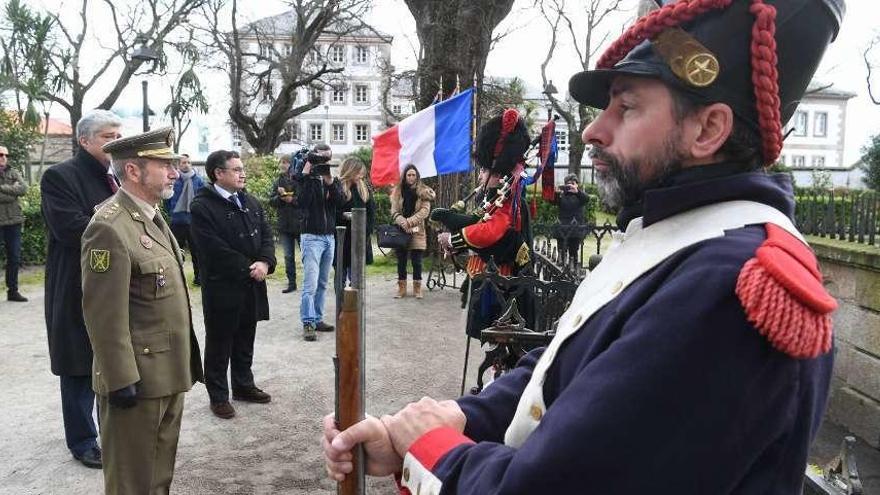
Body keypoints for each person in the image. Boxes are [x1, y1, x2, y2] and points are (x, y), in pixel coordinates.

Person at [323, 0, 843, 492]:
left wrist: (429, 446)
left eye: (627, 107)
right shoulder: (682, 240)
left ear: (707, 129)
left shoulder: (732, 286)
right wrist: (456, 418)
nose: (594, 129)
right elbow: (567, 372)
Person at [80, 127, 203, 494]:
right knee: (132, 483)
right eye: (164, 165)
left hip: (166, 372)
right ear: (133, 171)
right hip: (137, 380)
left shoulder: (151, 216)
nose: (174, 172)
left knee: (157, 476)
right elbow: (103, 315)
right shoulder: (109, 227)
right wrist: (119, 379)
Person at [41, 109, 123, 469]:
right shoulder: (59, 176)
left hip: (116, 282)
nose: (116, 142)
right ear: (84, 140)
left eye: (118, 136)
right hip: (76, 281)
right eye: (108, 136)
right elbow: (70, 227)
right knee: (77, 364)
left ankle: (114, 431)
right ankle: (83, 440)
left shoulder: (119, 176)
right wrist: (120, 226)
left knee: (114, 356)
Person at [190, 149, 276, 419]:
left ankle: (243, 385)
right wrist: (249, 268)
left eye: (242, 169)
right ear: (218, 173)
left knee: (245, 338)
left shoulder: (250, 201)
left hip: (251, 285)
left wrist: (265, 262)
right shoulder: (202, 206)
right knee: (219, 342)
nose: (243, 174)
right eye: (236, 169)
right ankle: (218, 396)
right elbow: (211, 248)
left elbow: (266, 234)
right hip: (223, 287)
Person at [431, 109, 533, 338]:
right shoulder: (496, 198)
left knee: (501, 338)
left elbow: (490, 232)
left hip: (502, 282)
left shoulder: (508, 200)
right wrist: (450, 223)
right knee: (492, 337)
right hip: (487, 276)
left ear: (498, 174)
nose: (480, 176)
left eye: (485, 170)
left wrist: (453, 239)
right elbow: (477, 220)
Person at [294, 143, 343, 342]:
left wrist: (330, 181)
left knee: (323, 282)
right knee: (311, 284)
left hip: (329, 236)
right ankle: (308, 322)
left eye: (327, 159)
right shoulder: (304, 177)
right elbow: (302, 202)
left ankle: (317, 318)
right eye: (320, 159)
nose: (324, 162)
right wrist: (307, 172)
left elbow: (339, 202)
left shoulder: (330, 177)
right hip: (311, 236)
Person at [389, 164, 435, 299]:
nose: (411, 177)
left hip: (416, 230)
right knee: (401, 261)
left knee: (417, 261)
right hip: (401, 230)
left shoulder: (424, 192)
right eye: (408, 175)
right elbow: (394, 211)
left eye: (413, 175)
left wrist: (409, 222)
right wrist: (401, 221)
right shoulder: (398, 192)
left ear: (417, 176)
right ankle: (401, 289)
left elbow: (424, 211)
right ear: (405, 176)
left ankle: (417, 288)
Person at [165, 153, 205, 285]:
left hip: (194, 221)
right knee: (174, 252)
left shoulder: (198, 180)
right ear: (179, 164)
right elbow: (167, 199)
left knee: (197, 252)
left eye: (188, 162)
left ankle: (199, 278)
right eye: (183, 162)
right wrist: (171, 212)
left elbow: (202, 199)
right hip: (177, 221)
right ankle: (176, 279)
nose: (186, 165)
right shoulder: (174, 179)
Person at [336, 156, 375, 285]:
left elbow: (371, 213)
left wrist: (366, 232)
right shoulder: (338, 188)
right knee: (340, 277)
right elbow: (332, 212)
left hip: (359, 238)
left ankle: (355, 298)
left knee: (356, 278)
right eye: (358, 172)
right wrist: (344, 216)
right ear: (350, 171)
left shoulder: (364, 189)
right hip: (342, 238)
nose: (361, 176)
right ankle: (341, 298)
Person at [269, 154, 303, 293]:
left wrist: (291, 200)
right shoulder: (278, 181)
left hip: (300, 224)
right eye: (281, 162)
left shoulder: (299, 180)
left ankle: (310, 282)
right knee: (288, 256)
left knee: (306, 256)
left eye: (286, 162)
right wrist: (280, 197)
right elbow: (271, 201)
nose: (283, 165)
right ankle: (291, 283)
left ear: (291, 164)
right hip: (285, 224)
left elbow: (304, 200)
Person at [0, 144, 28, 302]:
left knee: (14, 257)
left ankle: (13, 291)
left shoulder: (14, 172)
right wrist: (12, 191)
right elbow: (15, 193)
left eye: (6, 155)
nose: (4, 158)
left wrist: (2, 188)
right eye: (0, 155)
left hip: (14, 221)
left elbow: (23, 189)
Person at [552, 173, 589, 264]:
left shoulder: (580, 195)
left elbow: (586, 199)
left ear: (577, 184)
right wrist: (556, 193)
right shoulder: (562, 195)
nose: (571, 186)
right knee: (561, 254)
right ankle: (561, 270)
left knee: (573, 254)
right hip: (562, 229)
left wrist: (577, 192)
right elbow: (553, 201)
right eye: (568, 184)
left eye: (573, 183)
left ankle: (574, 270)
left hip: (575, 230)